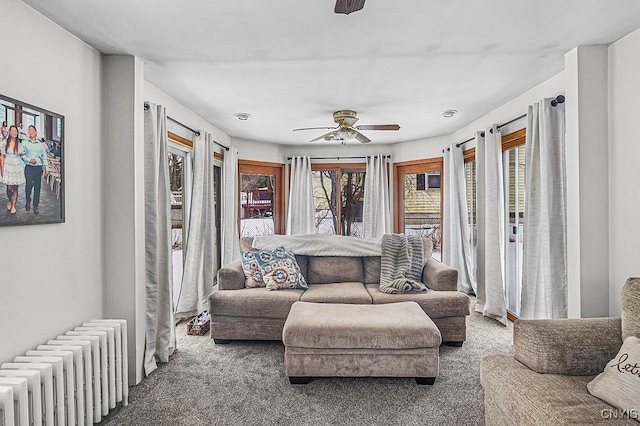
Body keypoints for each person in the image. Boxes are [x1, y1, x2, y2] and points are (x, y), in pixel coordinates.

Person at [20, 125, 49, 214]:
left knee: (37, 187)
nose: (31, 132)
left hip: (38, 168)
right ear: (28, 132)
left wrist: (46, 168)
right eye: (29, 130)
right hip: (29, 167)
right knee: (28, 186)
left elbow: (44, 157)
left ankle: (35, 206)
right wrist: (29, 160)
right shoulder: (24, 142)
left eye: (33, 130)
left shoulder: (40, 145)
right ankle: (28, 201)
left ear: (36, 132)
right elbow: (21, 154)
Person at [1, 125, 26, 214]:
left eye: (15, 131)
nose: (14, 133)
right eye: (12, 131)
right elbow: (2, 156)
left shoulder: (19, 144)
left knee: (15, 187)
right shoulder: (4, 143)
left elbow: (22, 153)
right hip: (8, 166)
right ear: (9, 132)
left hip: (17, 166)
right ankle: (9, 199)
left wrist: (23, 153)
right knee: (9, 188)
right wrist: (2, 169)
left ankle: (13, 206)